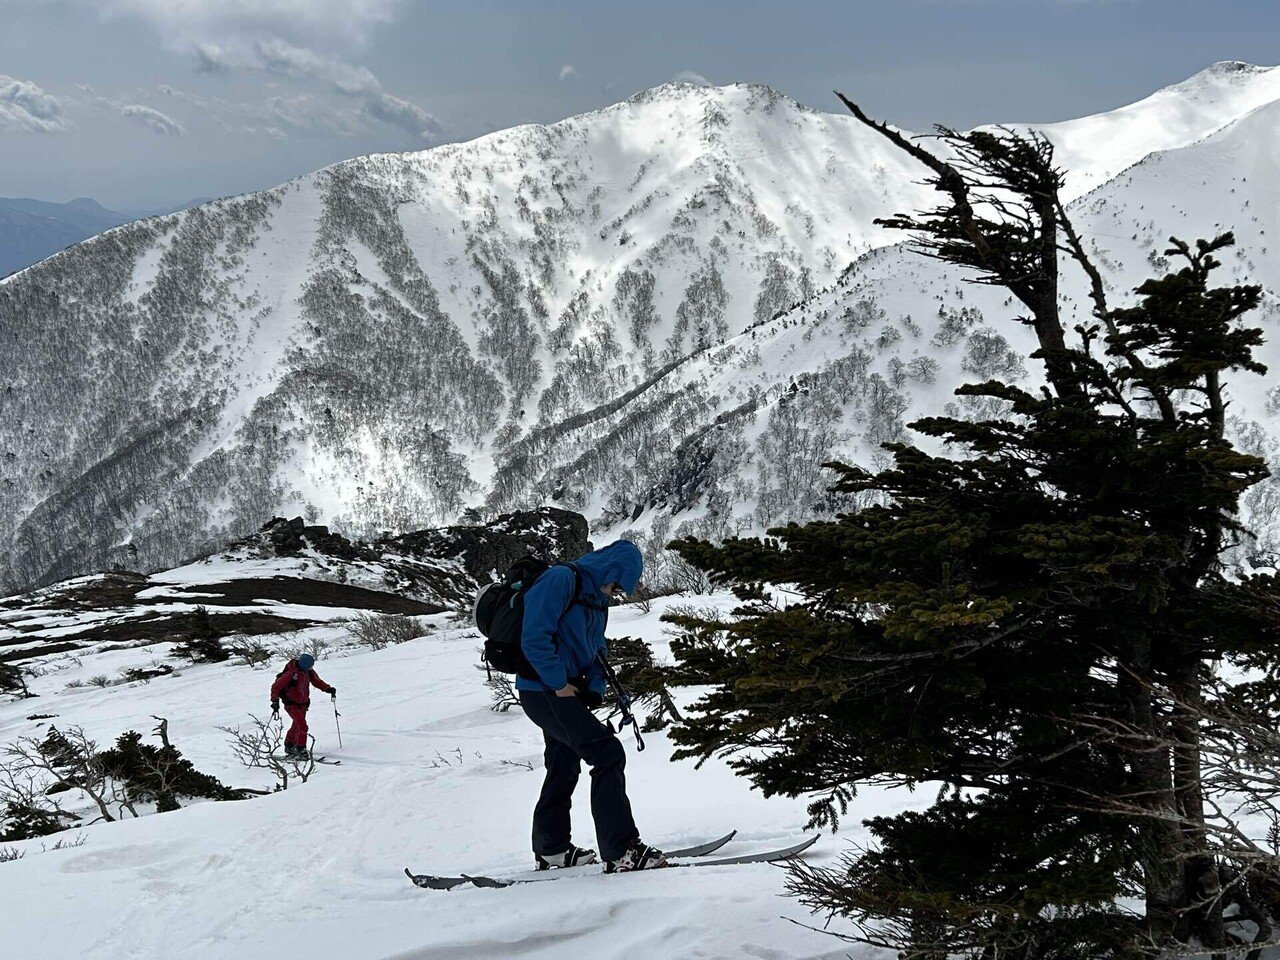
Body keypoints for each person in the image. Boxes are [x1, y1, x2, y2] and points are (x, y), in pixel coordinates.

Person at [516, 539, 666, 873]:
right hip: (542, 689)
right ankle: (621, 850)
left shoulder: (597, 598)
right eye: (616, 584)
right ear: (609, 569)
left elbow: (598, 648)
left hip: (564, 690)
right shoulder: (560, 580)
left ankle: (552, 849)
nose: (615, 592)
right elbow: (534, 638)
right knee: (608, 753)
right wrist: (558, 683)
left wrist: (595, 687)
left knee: (564, 762)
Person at [270, 653, 336, 759]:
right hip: (291, 704)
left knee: (297, 725)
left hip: (303, 705)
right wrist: (275, 701)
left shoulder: (308, 672)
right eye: (310, 665)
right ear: (305, 665)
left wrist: (328, 689)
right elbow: (276, 687)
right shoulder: (290, 674)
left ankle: (289, 746)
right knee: (302, 725)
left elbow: (316, 682)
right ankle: (301, 749)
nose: (312, 668)